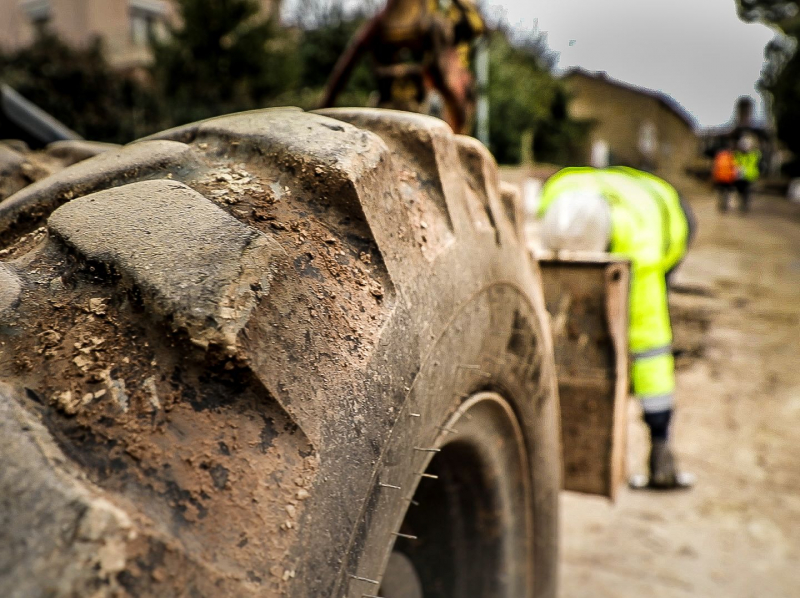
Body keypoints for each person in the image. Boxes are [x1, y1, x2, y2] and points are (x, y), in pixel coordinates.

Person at [538, 166, 695, 490]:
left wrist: (659, 434)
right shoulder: (556, 195)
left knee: (646, 331)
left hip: (669, 210)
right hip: (625, 188)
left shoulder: (642, 251)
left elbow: (651, 343)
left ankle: (660, 440)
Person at [732, 134, 761, 213]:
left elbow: (758, 163)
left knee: (747, 191)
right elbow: (734, 163)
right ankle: (742, 203)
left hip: (749, 176)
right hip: (739, 176)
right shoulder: (737, 154)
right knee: (740, 191)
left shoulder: (754, 154)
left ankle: (744, 204)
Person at [712, 140, 737, 212]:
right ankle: (723, 205)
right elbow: (734, 167)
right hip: (726, 178)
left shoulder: (720, 156)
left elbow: (715, 167)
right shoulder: (731, 156)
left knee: (722, 192)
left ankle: (722, 205)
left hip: (722, 177)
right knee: (724, 192)